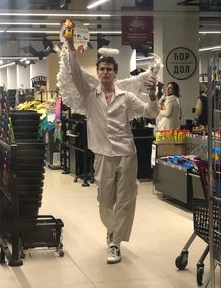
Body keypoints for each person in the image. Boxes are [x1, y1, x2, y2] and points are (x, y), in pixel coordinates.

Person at [65, 34, 159, 264]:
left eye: (109, 69)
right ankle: (112, 230)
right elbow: (75, 71)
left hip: (127, 154)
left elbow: (151, 112)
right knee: (105, 201)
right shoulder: (90, 96)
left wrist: (154, 95)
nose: (105, 72)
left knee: (126, 199)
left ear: (116, 73)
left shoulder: (126, 97)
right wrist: (69, 45)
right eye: (102, 69)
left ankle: (115, 243)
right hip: (102, 155)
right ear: (97, 72)